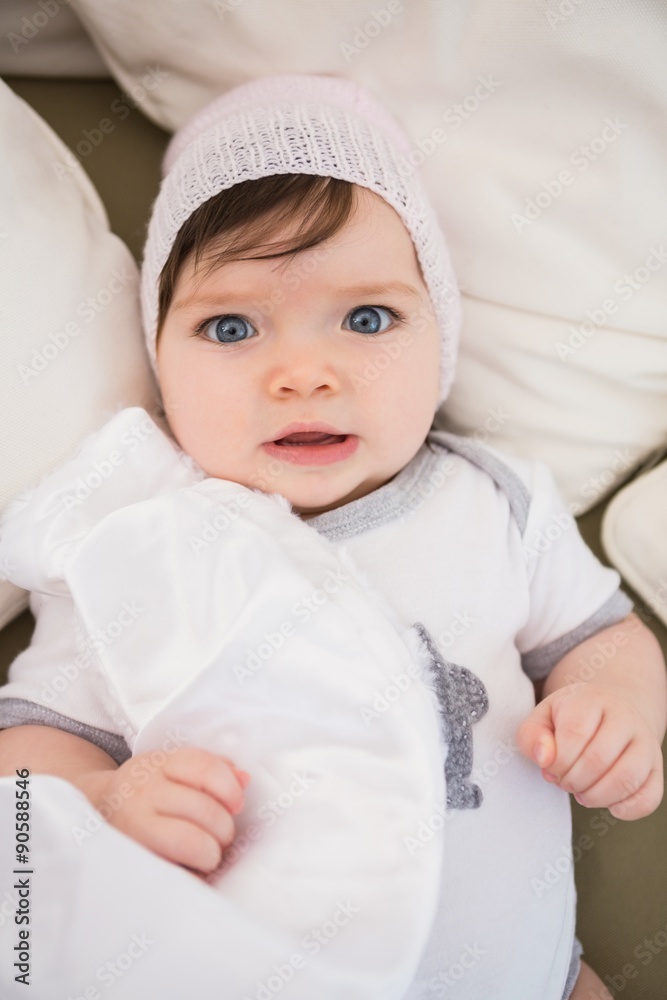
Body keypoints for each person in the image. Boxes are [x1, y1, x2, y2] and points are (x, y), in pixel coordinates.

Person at [0, 73, 665, 1000]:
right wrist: (103, 801)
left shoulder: (494, 501)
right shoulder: (141, 547)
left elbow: (599, 635)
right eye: (231, 327)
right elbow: (27, 755)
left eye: (366, 318)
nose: (303, 374)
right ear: (161, 364)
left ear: (440, 337)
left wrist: (614, 708)